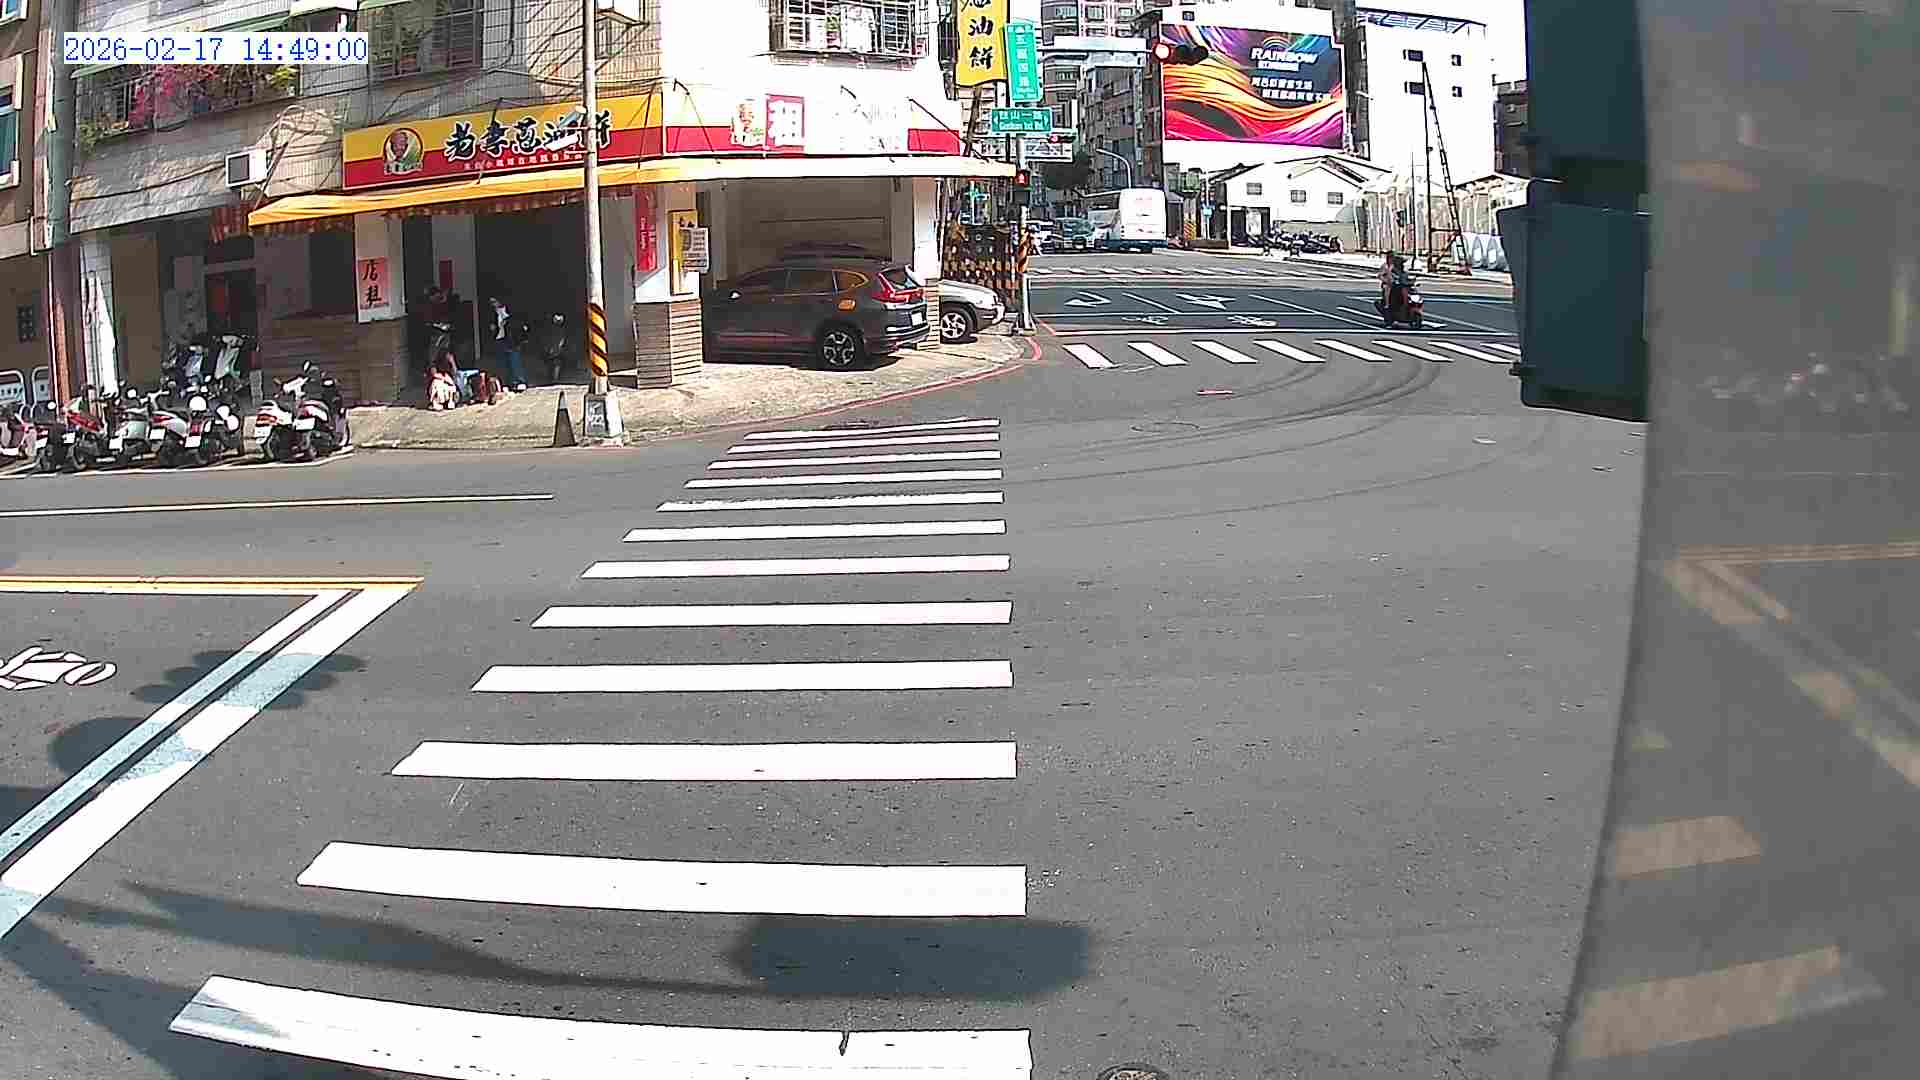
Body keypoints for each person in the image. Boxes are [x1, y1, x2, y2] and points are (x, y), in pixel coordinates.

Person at [489, 295, 528, 392]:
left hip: (511, 338)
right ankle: (507, 383)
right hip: (499, 338)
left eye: (495, 302)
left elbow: (516, 322)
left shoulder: (510, 310)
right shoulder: (492, 313)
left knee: (514, 359)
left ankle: (519, 381)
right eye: (492, 303)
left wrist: (506, 321)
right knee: (503, 362)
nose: (494, 304)